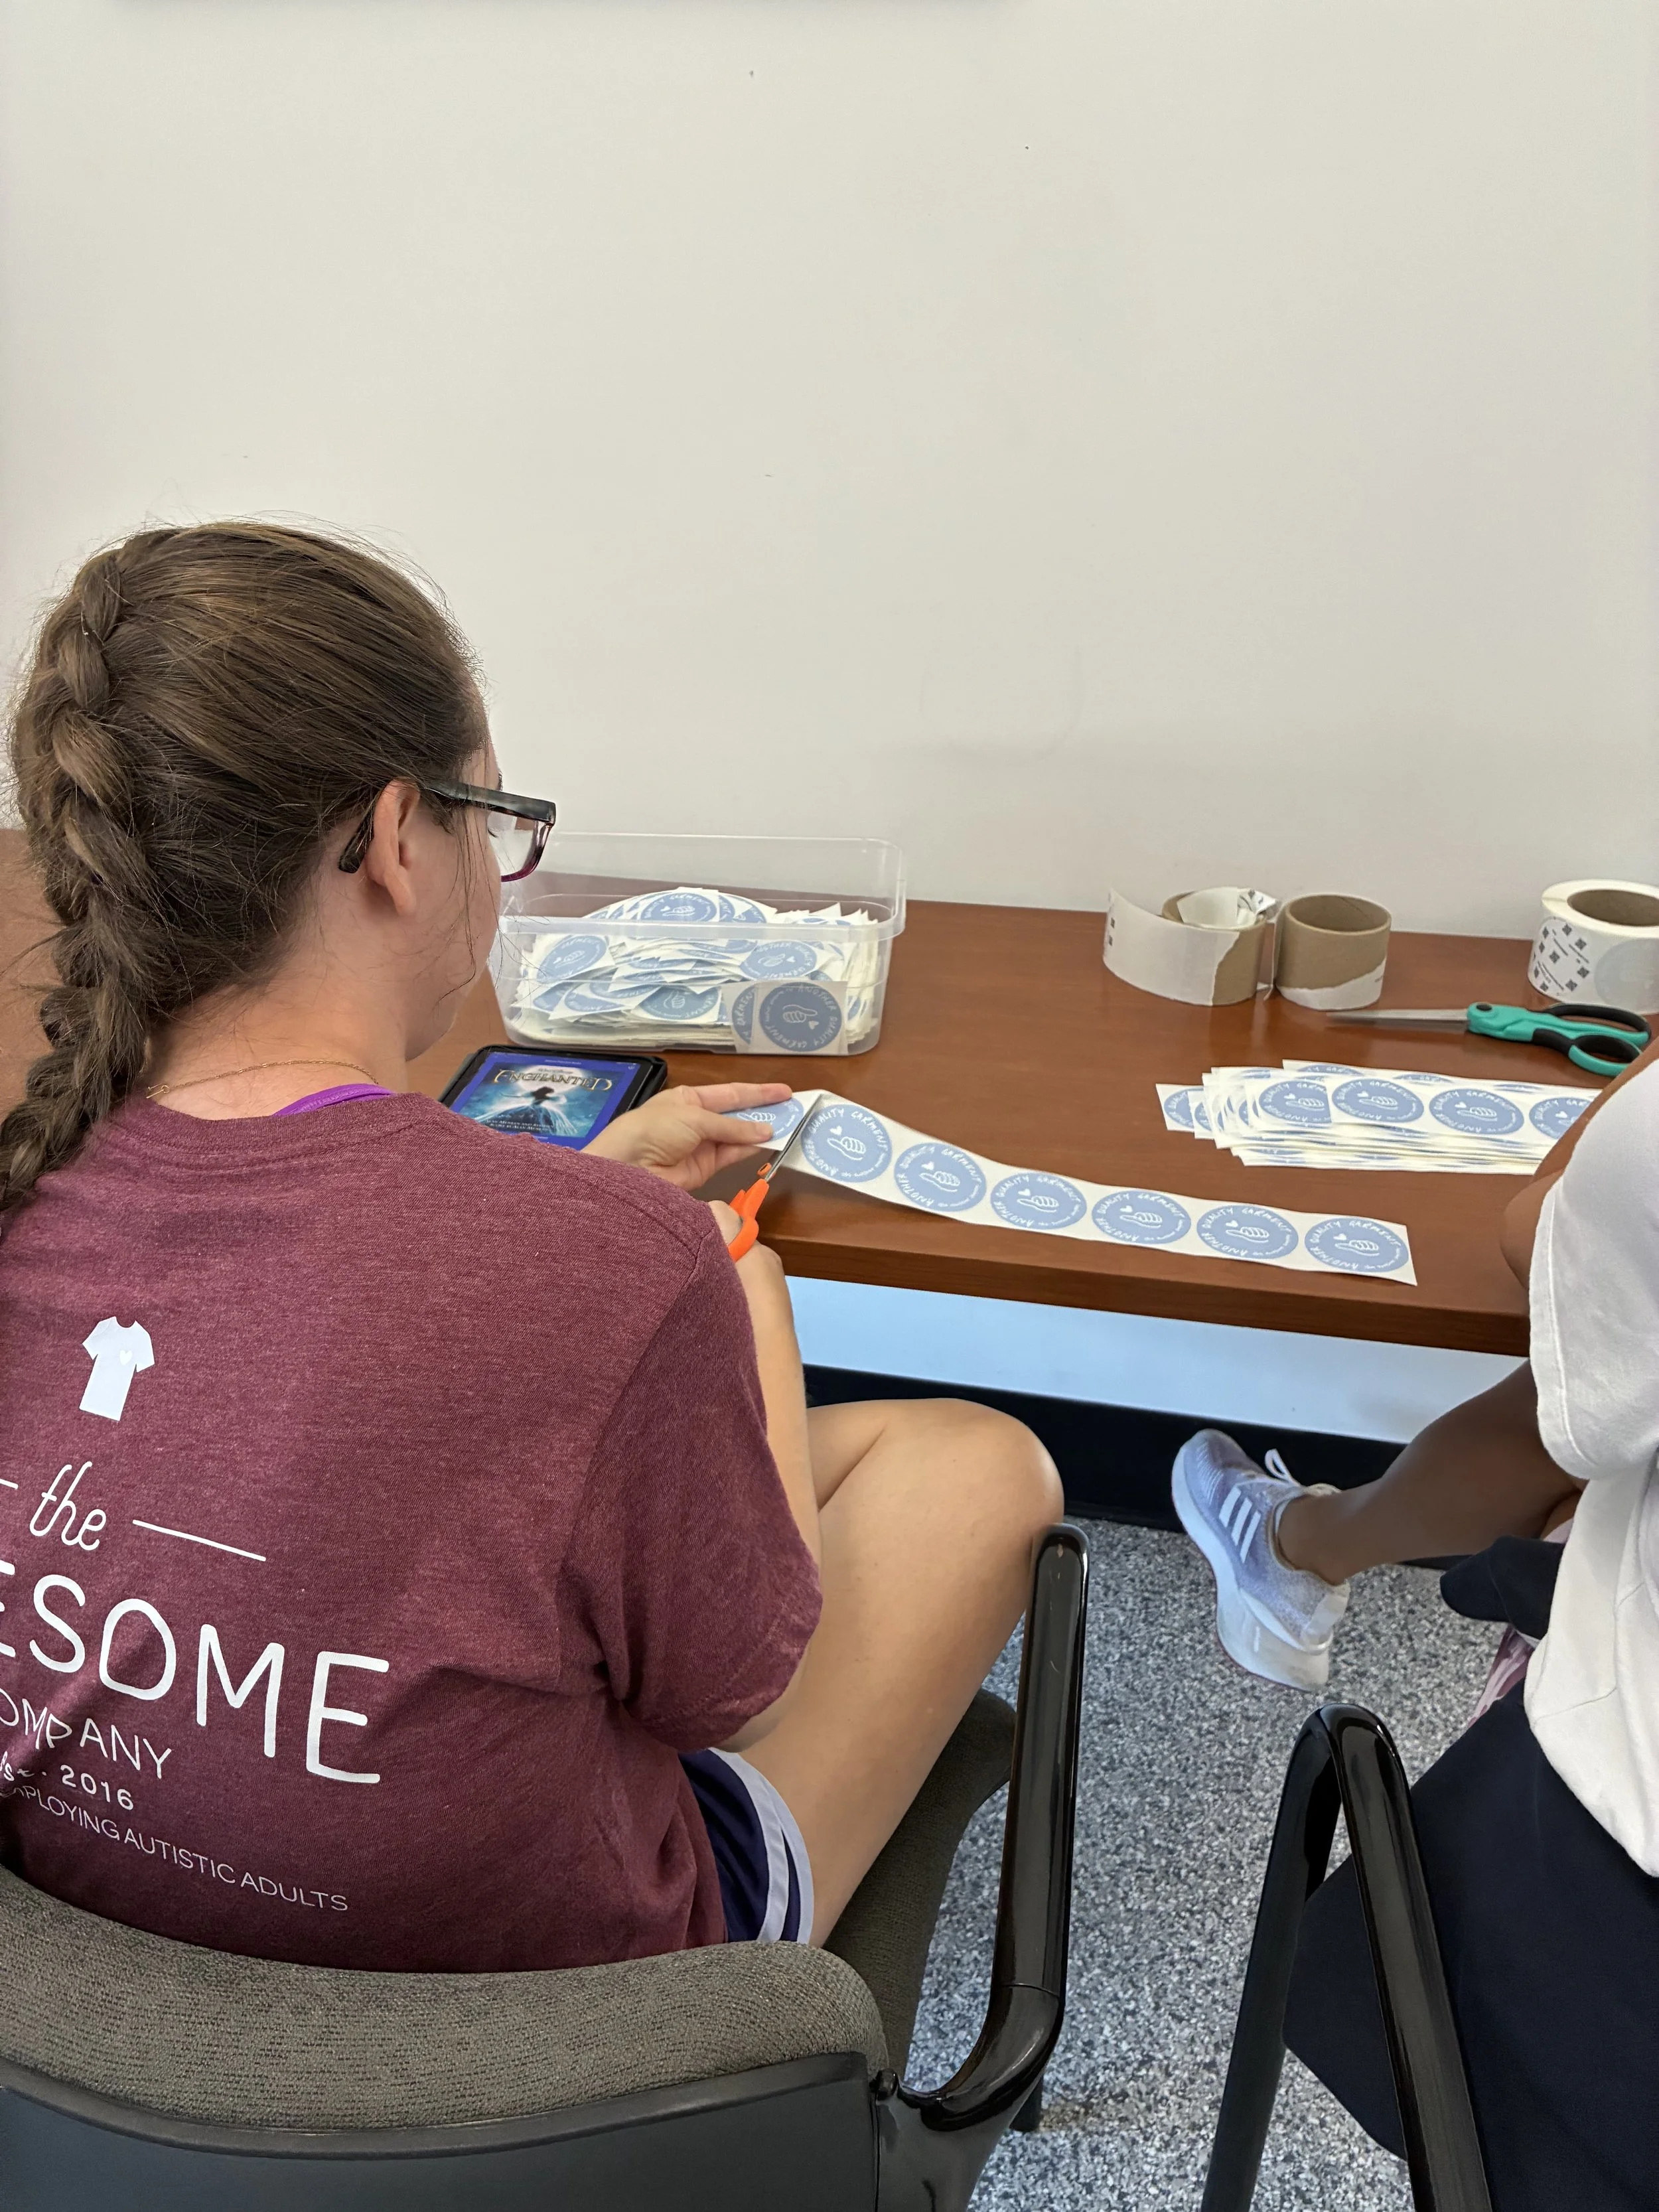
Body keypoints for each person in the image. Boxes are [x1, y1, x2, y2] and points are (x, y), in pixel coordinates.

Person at [0, 522, 1061, 1974]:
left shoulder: (38, 1189)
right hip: (544, 2049)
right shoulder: (626, 1269)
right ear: (389, 840)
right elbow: (739, 1697)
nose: (499, 870)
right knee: (985, 1468)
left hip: (104, 2039)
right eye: (493, 822)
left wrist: (567, 1211)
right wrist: (717, 1269)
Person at [1176, 1045, 1659, 2206]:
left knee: (1579, 1414)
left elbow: (1542, 1228)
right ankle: (1301, 1549)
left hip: (1606, 1959)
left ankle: (1297, 1555)